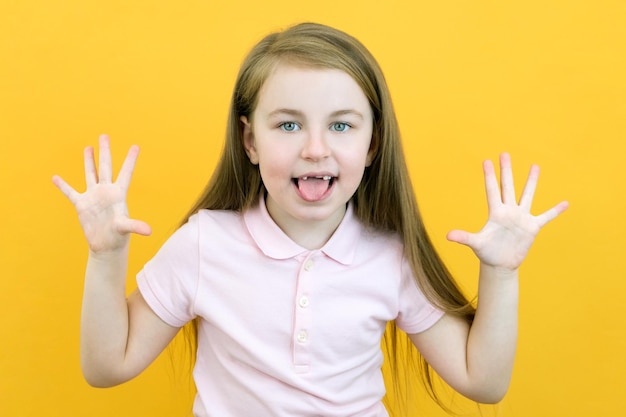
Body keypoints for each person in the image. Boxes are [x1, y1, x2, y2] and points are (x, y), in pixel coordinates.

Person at [52, 22, 568, 417]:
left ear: (373, 145)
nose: (316, 149)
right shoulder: (205, 244)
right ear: (250, 141)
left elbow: (484, 382)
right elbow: (106, 368)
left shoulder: (390, 256)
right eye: (289, 124)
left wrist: (500, 274)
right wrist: (105, 256)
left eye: (341, 125)